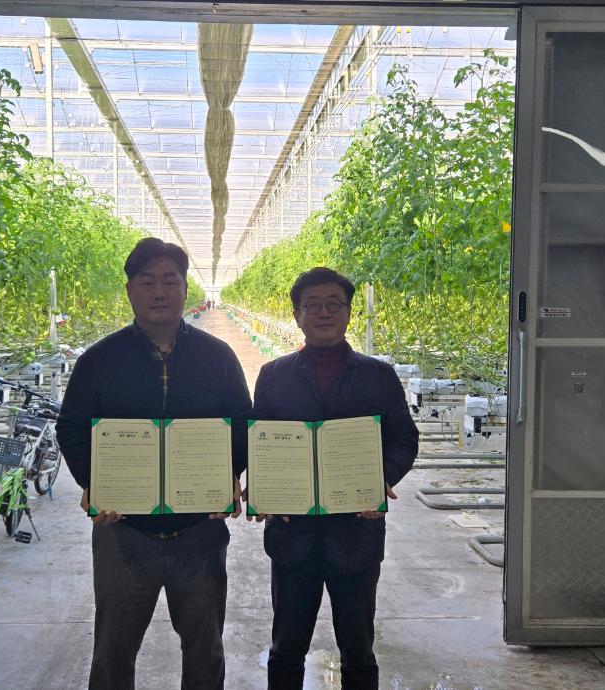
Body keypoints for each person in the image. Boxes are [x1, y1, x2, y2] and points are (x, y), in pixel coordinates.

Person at [56, 237, 252, 690]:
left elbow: (242, 422)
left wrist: (229, 475)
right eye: (147, 282)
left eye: (170, 280)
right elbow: (72, 427)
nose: (159, 291)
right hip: (124, 531)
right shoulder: (99, 360)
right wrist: (93, 481)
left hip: (199, 531)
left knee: (204, 650)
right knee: (112, 652)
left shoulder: (217, 357)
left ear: (186, 289)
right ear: (130, 290)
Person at [249, 267, 419, 690]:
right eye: (313, 305)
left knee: (358, 651)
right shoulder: (273, 375)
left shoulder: (378, 375)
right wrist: (262, 488)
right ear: (297, 316)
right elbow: (259, 442)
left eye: (333, 304)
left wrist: (380, 479)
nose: (324, 313)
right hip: (292, 536)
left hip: (356, 535)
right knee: (286, 649)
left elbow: (404, 439)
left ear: (348, 312)